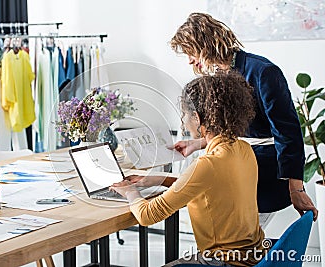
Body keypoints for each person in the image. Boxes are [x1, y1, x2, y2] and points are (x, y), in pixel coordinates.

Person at [170, 12, 317, 220]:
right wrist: (198, 144)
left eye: (190, 52)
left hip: (266, 170)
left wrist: (297, 189)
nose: (189, 61)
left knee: (246, 239)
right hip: (236, 164)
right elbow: (232, 130)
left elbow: (288, 133)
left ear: (205, 44)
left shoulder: (263, 72)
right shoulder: (218, 77)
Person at [111, 72, 266, 266]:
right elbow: (207, 187)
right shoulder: (244, 149)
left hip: (225, 262)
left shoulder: (207, 165)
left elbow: (147, 215)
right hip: (255, 256)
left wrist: (129, 191)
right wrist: (156, 180)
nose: (183, 120)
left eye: (184, 114)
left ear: (197, 118)